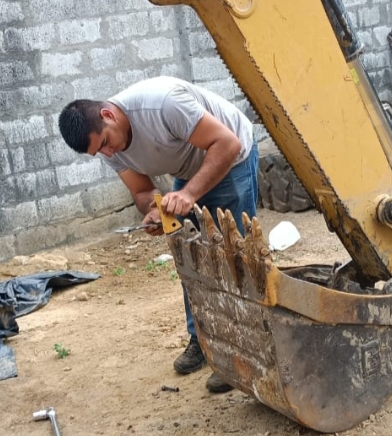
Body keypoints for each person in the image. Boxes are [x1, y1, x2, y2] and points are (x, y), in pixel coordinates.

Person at [57, 76, 259, 394]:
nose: (108, 153)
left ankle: (240, 353)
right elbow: (142, 191)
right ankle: (204, 340)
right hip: (189, 168)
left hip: (231, 157)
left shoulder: (162, 104)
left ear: (108, 115)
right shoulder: (110, 148)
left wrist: (189, 194)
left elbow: (228, 143)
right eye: (99, 152)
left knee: (232, 258)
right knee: (190, 258)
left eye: (105, 143)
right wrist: (153, 210)